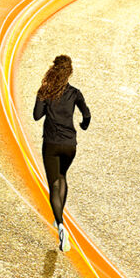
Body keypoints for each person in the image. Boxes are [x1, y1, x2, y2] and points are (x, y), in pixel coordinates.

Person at [32, 54, 90, 252]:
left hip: (51, 144)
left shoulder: (46, 91)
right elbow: (87, 114)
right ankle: (59, 219)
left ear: (53, 70)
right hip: (70, 145)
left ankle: (61, 226)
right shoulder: (75, 92)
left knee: (54, 183)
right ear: (69, 72)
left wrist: (42, 95)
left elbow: (36, 116)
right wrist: (83, 124)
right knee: (63, 178)